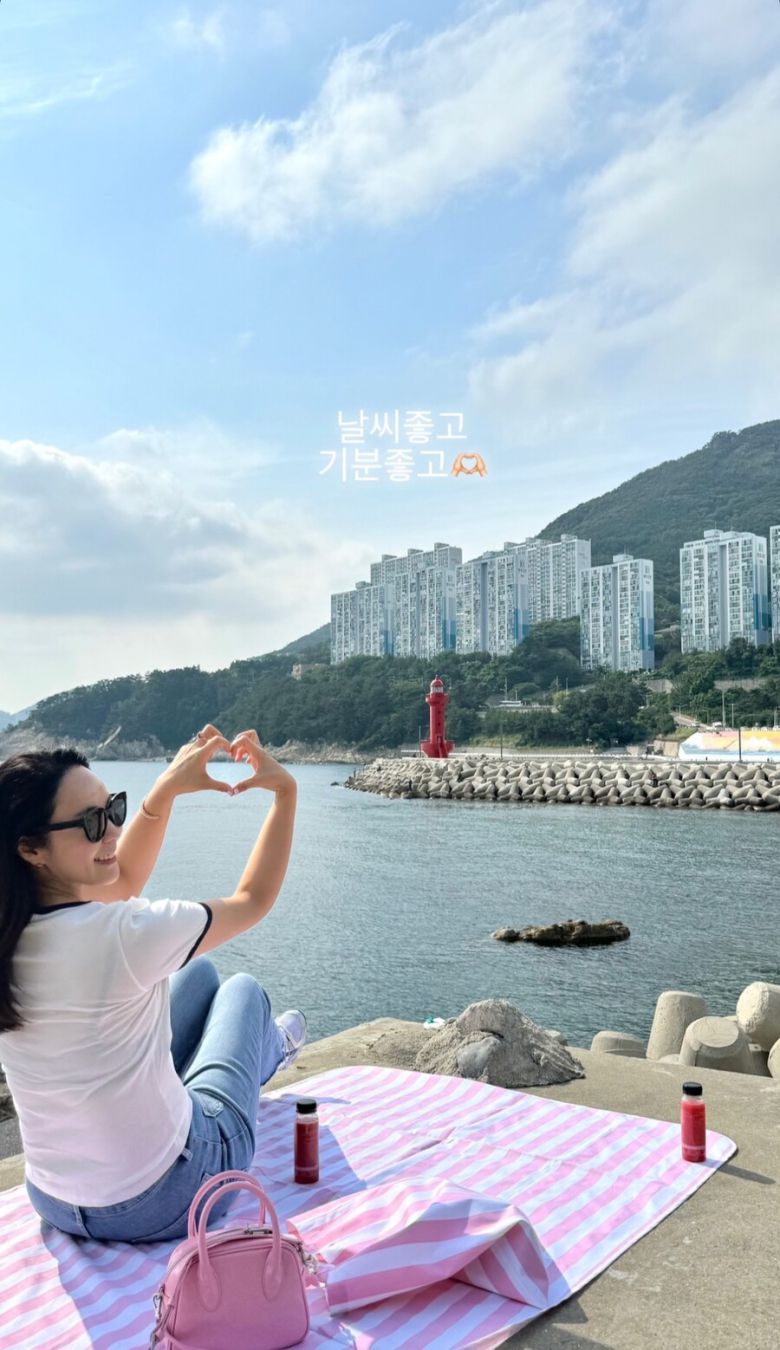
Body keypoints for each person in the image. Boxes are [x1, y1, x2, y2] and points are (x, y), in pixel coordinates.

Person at [0, 724, 306, 1244]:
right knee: (242, 991)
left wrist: (164, 790)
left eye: (113, 809)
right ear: (32, 849)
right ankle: (271, 1048)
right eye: (92, 823)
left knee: (197, 973)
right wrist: (285, 793)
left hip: (54, 1197)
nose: (112, 832)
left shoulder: (11, 931)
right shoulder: (126, 934)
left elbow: (121, 881)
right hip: (166, 1197)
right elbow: (252, 899)